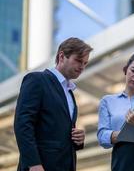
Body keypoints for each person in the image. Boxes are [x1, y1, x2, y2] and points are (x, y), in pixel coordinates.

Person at [14, 37, 93, 171]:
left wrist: (78, 140)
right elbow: (22, 124)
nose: (82, 67)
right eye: (78, 61)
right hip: (41, 166)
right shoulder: (37, 80)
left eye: (85, 63)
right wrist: (33, 164)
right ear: (62, 56)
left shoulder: (69, 93)